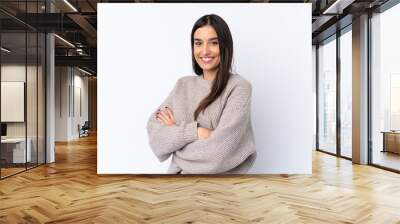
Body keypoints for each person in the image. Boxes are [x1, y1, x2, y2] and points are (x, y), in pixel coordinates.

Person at [146, 14, 257, 174]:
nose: (204, 51)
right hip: (175, 185)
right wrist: (196, 132)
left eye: (214, 43)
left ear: (225, 46)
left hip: (220, 189)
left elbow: (219, 154)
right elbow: (155, 136)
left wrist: (175, 139)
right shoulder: (182, 85)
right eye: (198, 43)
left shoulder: (239, 87)